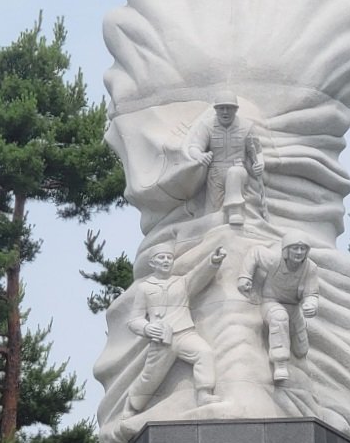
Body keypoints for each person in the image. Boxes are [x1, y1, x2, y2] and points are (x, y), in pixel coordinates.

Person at [125, 244, 226, 413]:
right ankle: (132, 405)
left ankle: (204, 393)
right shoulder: (145, 288)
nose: (166, 261)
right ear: (152, 263)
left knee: (204, 353)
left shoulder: (182, 282)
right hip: (162, 340)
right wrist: (147, 328)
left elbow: (198, 274)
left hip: (186, 332)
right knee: (151, 377)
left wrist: (212, 261)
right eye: (161, 258)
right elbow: (134, 320)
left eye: (169, 258)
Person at [237, 232, 319, 383]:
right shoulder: (274, 260)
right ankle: (280, 364)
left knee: (301, 350)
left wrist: (311, 305)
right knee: (279, 318)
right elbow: (255, 253)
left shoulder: (310, 268)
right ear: (286, 250)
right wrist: (245, 277)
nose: (299, 252)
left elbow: (311, 293)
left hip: (294, 307)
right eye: (295, 248)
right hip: (271, 302)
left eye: (302, 249)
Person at [183, 95, 265, 226]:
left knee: (234, 173)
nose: (225, 112)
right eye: (221, 108)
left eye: (229, 108)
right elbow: (194, 147)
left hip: (238, 168)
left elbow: (257, 151)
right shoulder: (207, 126)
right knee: (213, 216)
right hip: (215, 173)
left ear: (236, 109)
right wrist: (200, 156)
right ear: (216, 109)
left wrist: (260, 164)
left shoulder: (247, 126)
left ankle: (235, 211)